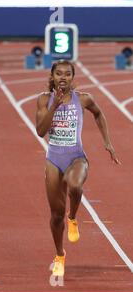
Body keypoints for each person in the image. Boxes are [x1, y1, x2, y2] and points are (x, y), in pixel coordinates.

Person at [35, 60, 120, 278]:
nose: (63, 77)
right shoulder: (44, 100)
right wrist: (54, 105)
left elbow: (99, 114)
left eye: (67, 74)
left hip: (76, 157)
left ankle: (73, 217)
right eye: (59, 74)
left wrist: (107, 142)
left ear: (73, 77)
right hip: (53, 159)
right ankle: (59, 255)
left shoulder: (83, 99)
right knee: (55, 216)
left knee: (75, 185)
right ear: (52, 77)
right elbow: (40, 131)